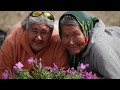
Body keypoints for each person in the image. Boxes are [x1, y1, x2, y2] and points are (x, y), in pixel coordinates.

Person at [0, 11, 70, 78]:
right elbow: (2, 73)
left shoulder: (58, 43)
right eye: (34, 31)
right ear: (26, 30)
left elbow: (63, 74)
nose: (38, 38)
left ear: (51, 33)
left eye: (44, 32)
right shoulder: (12, 42)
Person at [58, 11, 120, 79]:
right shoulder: (67, 47)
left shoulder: (101, 49)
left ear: (86, 31)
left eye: (76, 34)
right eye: (65, 36)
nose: (71, 42)